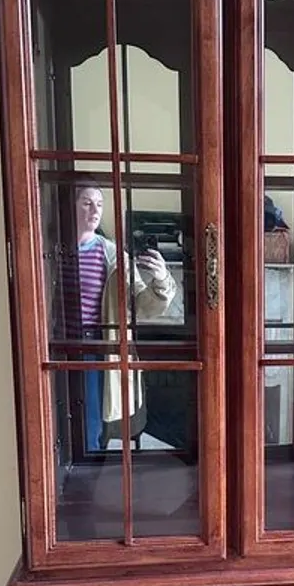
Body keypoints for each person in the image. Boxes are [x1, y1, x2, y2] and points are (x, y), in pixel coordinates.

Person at [73, 183, 177, 450]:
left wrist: (162, 279)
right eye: (86, 202)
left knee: (91, 424)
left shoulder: (113, 256)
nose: (95, 210)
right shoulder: (50, 250)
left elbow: (143, 304)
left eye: (99, 203)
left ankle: (89, 476)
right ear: (71, 206)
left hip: (95, 346)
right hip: (56, 345)